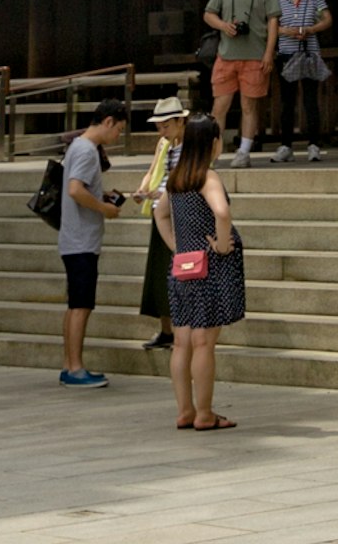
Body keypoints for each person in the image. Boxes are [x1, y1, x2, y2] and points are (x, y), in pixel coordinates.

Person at [159, 116, 246, 432]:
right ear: (212, 143)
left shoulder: (177, 177)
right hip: (208, 268)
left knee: (182, 342)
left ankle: (185, 410)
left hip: (182, 266)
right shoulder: (207, 178)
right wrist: (223, 246)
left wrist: (177, 247)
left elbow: (160, 215)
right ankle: (205, 413)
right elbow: (222, 212)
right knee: (204, 341)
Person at [50, 103, 131, 385]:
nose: (118, 136)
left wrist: (101, 196)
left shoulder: (78, 146)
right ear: (108, 121)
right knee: (81, 305)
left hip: (74, 238)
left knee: (76, 304)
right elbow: (75, 189)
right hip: (81, 239)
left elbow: (78, 186)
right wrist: (102, 207)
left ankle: (69, 364)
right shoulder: (86, 150)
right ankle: (75, 368)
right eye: (119, 129)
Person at [202, 0, 282, 163]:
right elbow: (208, 14)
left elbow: (273, 21)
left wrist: (269, 53)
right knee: (219, 106)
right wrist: (223, 25)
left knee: (249, 105)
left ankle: (244, 151)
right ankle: (213, 152)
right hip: (226, 55)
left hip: (255, 55)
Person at [133, 100, 188, 350]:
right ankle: (167, 330)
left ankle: (183, 330)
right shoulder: (164, 144)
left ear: (180, 121)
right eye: (159, 126)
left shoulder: (192, 145)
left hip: (181, 212)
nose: (162, 131)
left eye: (166, 125)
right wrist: (144, 189)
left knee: (180, 272)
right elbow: (153, 170)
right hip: (160, 211)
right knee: (160, 273)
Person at [270, 0, 335, 161]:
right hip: (286, 52)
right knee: (287, 101)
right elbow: (271, 26)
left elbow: (327, 19)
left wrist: (312, 29)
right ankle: (286, 144)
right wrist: (286, 31)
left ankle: (314, 143)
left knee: (310, 99)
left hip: (309, 51)